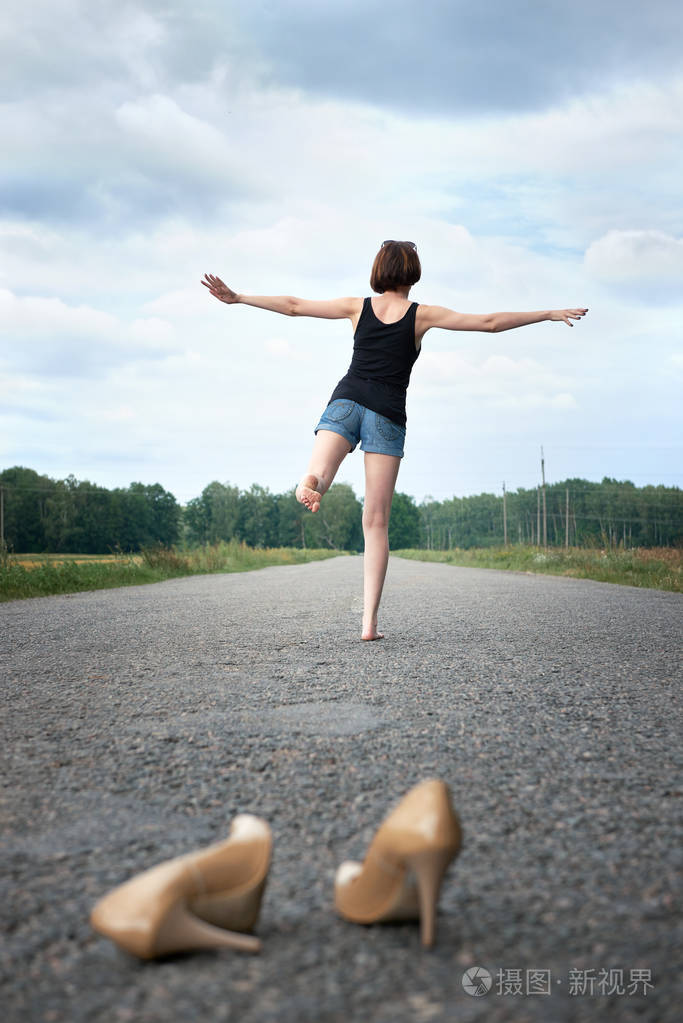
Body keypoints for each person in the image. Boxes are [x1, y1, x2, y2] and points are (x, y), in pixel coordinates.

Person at [202, 240, 587, 641]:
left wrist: (240, 297)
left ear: (379, 270)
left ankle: (313, 480)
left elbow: (295, 305)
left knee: (320, 470)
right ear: (413, 272)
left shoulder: (357, 307)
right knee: (376, 521)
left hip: (346, 401)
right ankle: (368, 624)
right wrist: (547, 313)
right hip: (387, 415)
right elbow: (488, 322)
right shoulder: (423, 315)